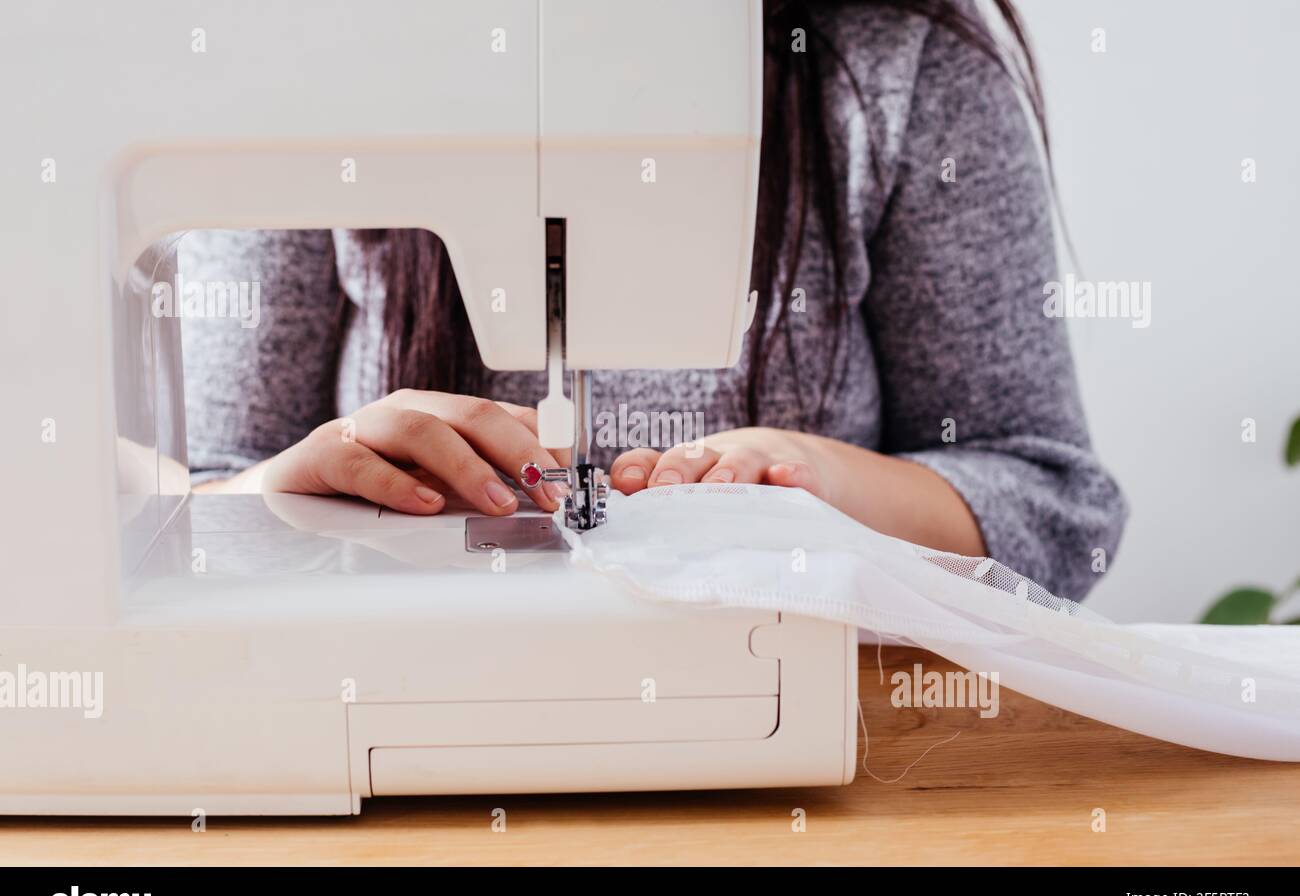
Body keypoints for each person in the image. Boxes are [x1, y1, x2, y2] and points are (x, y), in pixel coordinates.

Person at [182, 0, 1127, 600]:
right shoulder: (314, 62)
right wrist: (282, 492)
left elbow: (1058, 512)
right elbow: (178, 507)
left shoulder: (898, 65)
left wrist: (820, 485)